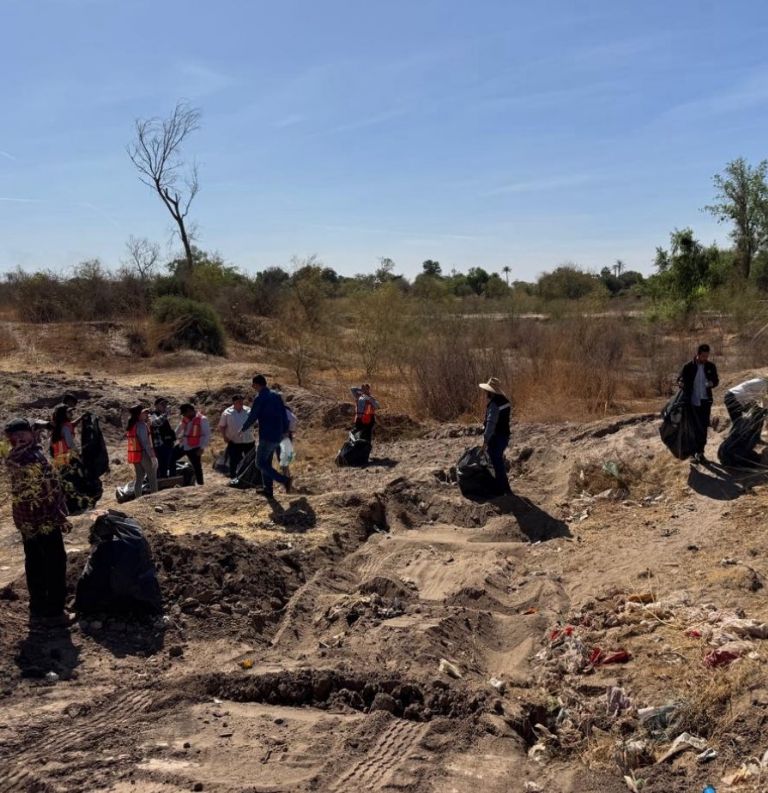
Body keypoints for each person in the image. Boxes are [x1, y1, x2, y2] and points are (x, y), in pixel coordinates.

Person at [4, 418, 71, 626]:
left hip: (26, 520)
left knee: (35, 562)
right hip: (43, 520)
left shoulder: (14, 455)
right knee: (54, 562)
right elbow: (44, 495)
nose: (21, 439)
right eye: (17, 436)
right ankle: (55, 612)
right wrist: (60, 517)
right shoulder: (31, 457)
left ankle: (38, 607)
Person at [241, 374, 291, 499]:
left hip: (267, 435)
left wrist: (243, 428)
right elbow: (284, 414)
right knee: (266, 462)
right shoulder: (277, 395)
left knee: (260, 463)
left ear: (257, 384)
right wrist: (285, 429)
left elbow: (253, 416)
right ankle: (267, 489)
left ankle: (284, 480)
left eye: (253, 384)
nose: (253, 387)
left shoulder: (260, 398)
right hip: (279, 433)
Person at [678, 344, 719, 463]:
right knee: (692, 428)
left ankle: (700, 453)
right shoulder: (688, 366)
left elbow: (716, 380)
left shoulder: (711, 366)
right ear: (698, 354)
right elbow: (680, 379)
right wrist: (681, 383)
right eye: (703, 356)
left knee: (703, 428)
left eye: (707, 356)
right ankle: (692, 453)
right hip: (692, 402)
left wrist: (711, 383)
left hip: (705, 401)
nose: (705, 358)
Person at [479, 377, 512, 495]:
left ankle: (502, 489)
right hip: (505, 436)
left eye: (486, 391)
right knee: (497, 461)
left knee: (496, 462)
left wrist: (485, 440)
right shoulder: (505, 401)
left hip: (497, 437)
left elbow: (491, 423)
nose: (485, 393)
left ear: (490, 392)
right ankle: (504, 488)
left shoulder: (494, 405)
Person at [218, 394, 255, 479]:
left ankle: (249, 479)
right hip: (234, 441)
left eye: (241, 401)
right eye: (238, 401)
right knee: (234, 461)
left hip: (248, 440)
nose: (240, 403)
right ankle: (233, 478)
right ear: (234, 402)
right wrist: (224, 437)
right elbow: (222, 426)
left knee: (250, 461)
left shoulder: (249, 410)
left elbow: (254, 422)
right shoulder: (227, 412)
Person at [126, 404, 158, 499]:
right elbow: (146, 443)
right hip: (144, 454)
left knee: (139, 478)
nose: (146, 415)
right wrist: (152, 457)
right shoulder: (141, 425)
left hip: (136, 455)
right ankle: (155, 499)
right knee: (152, 477)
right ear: (138, 414)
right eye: (144, 413)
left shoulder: (132, 425)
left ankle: (138, 500)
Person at [175, 403, 210, 485]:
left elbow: (207, 435)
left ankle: (200, 485)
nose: (184, 415)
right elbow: (178, 429)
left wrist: (202, 448)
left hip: (195, 447)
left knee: (197, 467)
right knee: (171, 458)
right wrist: (172, 438)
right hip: (184, 444)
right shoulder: (186, 418)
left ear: (190, 411)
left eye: (184, 413)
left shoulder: (202, 419)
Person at [150, 398, 177, 479]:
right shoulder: (152, 415)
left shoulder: (163, 416)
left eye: (165, 404)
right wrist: (165, 414)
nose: (164, 406)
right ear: (156, 406)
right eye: (162, 404)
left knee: (169, 464)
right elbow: (155, 423)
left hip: (167, 444)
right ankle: (161, 483)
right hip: (159, 446)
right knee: (161, 466)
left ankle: (170, 482)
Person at [50, 403, 79, 468]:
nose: (72, 414)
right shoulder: (65, 428)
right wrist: (78, 452)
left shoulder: (56, 427)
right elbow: (70, 444)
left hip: (58, 458)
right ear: (63, 415)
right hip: (66, 458)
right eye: (69, 412)